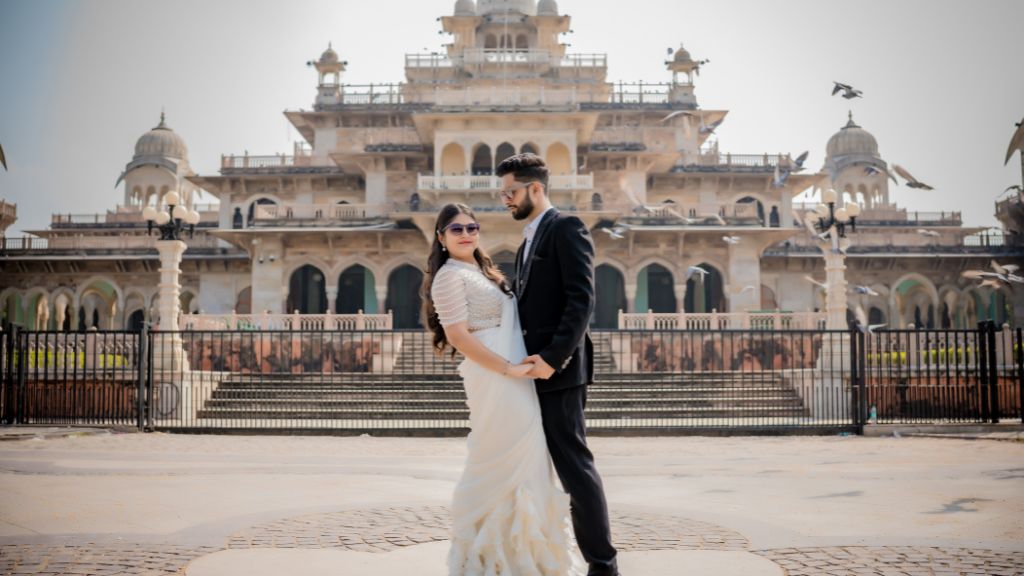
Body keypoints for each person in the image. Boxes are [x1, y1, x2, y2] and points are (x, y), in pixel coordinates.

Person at [423, 203, 583, 575]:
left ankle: (526, 553)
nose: (466, 234)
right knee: (502, 459)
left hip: (512, 377)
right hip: (496, 378)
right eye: (456, 229)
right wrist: (507, 369)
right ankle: (494, 560)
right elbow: (458, 336)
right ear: (441, 237)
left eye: (471, 227)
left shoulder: (481, 270)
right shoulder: (448, 276)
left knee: (527, 458)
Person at [497, 153, 620, 576]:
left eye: (511, 191)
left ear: (536, 188)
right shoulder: (529, 237)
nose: (505, 200)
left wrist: (553, 359)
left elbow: (581, 299)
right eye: (503, 193)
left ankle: (603, 565)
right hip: (532, 371)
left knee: (575, 468)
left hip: (559, 372)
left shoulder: (566, 226)